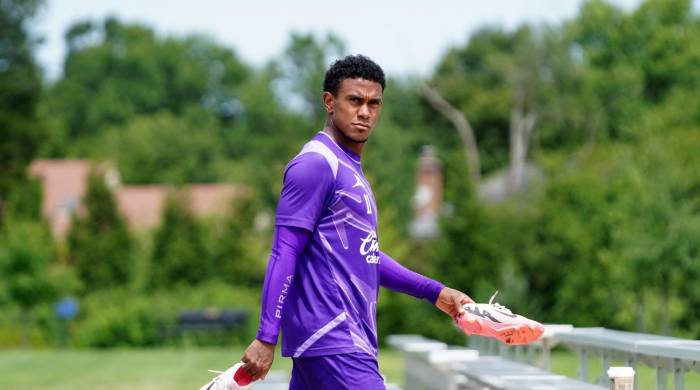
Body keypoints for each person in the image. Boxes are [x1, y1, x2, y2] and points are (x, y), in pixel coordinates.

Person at [241, 54, 473, 389]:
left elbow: (366, 259)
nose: (365, 112)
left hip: (333, 344)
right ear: (329, 102)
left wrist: (435, 293)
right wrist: (266, 337)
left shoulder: (349, 169)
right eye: (354, 101)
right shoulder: (316, 164)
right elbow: (284, 251)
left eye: (373, 103)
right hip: (335, 339)